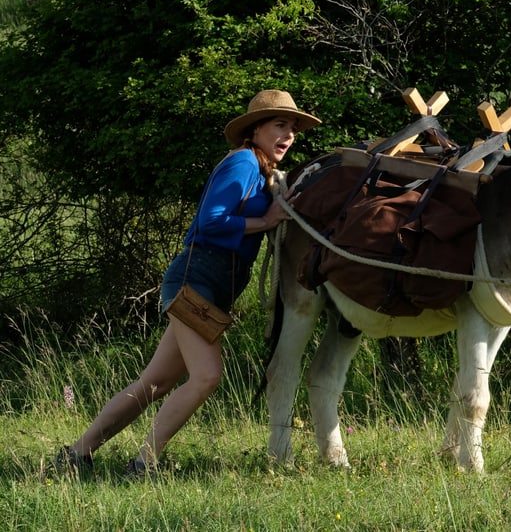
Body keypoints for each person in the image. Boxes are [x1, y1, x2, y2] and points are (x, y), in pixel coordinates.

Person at [54, 90, 320, 477]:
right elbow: (211, 220)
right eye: (280, 125)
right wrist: (267, 221)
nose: (289, 134)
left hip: (211, 285)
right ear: (256, 129)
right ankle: (144, 463)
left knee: (155, 382)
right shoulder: (243, 162)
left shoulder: (261, 171)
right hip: (197, 279)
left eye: (293, 128)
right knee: (207, 376)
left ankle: (77, 455)